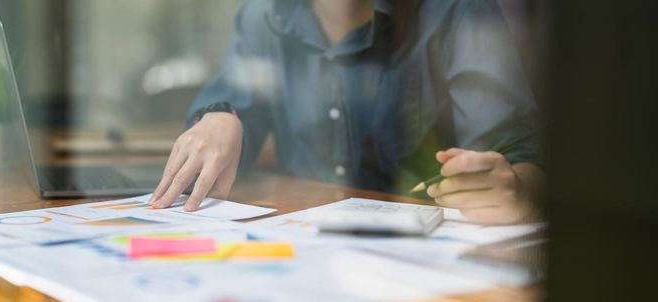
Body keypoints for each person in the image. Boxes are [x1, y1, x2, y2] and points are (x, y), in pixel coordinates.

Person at [150, 0, 543, 225]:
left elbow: (519, 159)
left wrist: (519, 188)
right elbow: (230, 116)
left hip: (424, 260)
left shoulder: (459, 9)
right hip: (302, 248)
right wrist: (220, 117)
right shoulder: (264, 13)